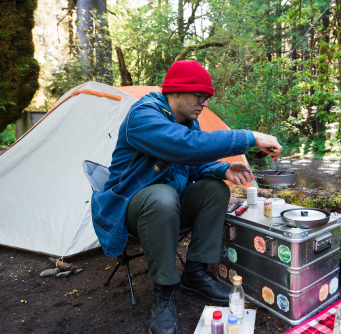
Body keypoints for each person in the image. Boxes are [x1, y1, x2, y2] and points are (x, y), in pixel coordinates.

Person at [90, 60, 282, 334]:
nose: (204, 104)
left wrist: (224, 168)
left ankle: (196, 273)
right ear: (176, 92)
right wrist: (249, 137)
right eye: (199, 96)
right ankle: (165, 291)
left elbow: (193, 163)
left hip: (170, 205)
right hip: (131, 210)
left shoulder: (188, 122)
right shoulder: (143, 116)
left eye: (206, 98)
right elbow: (183, 147)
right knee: (162, 196)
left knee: (214, 189)